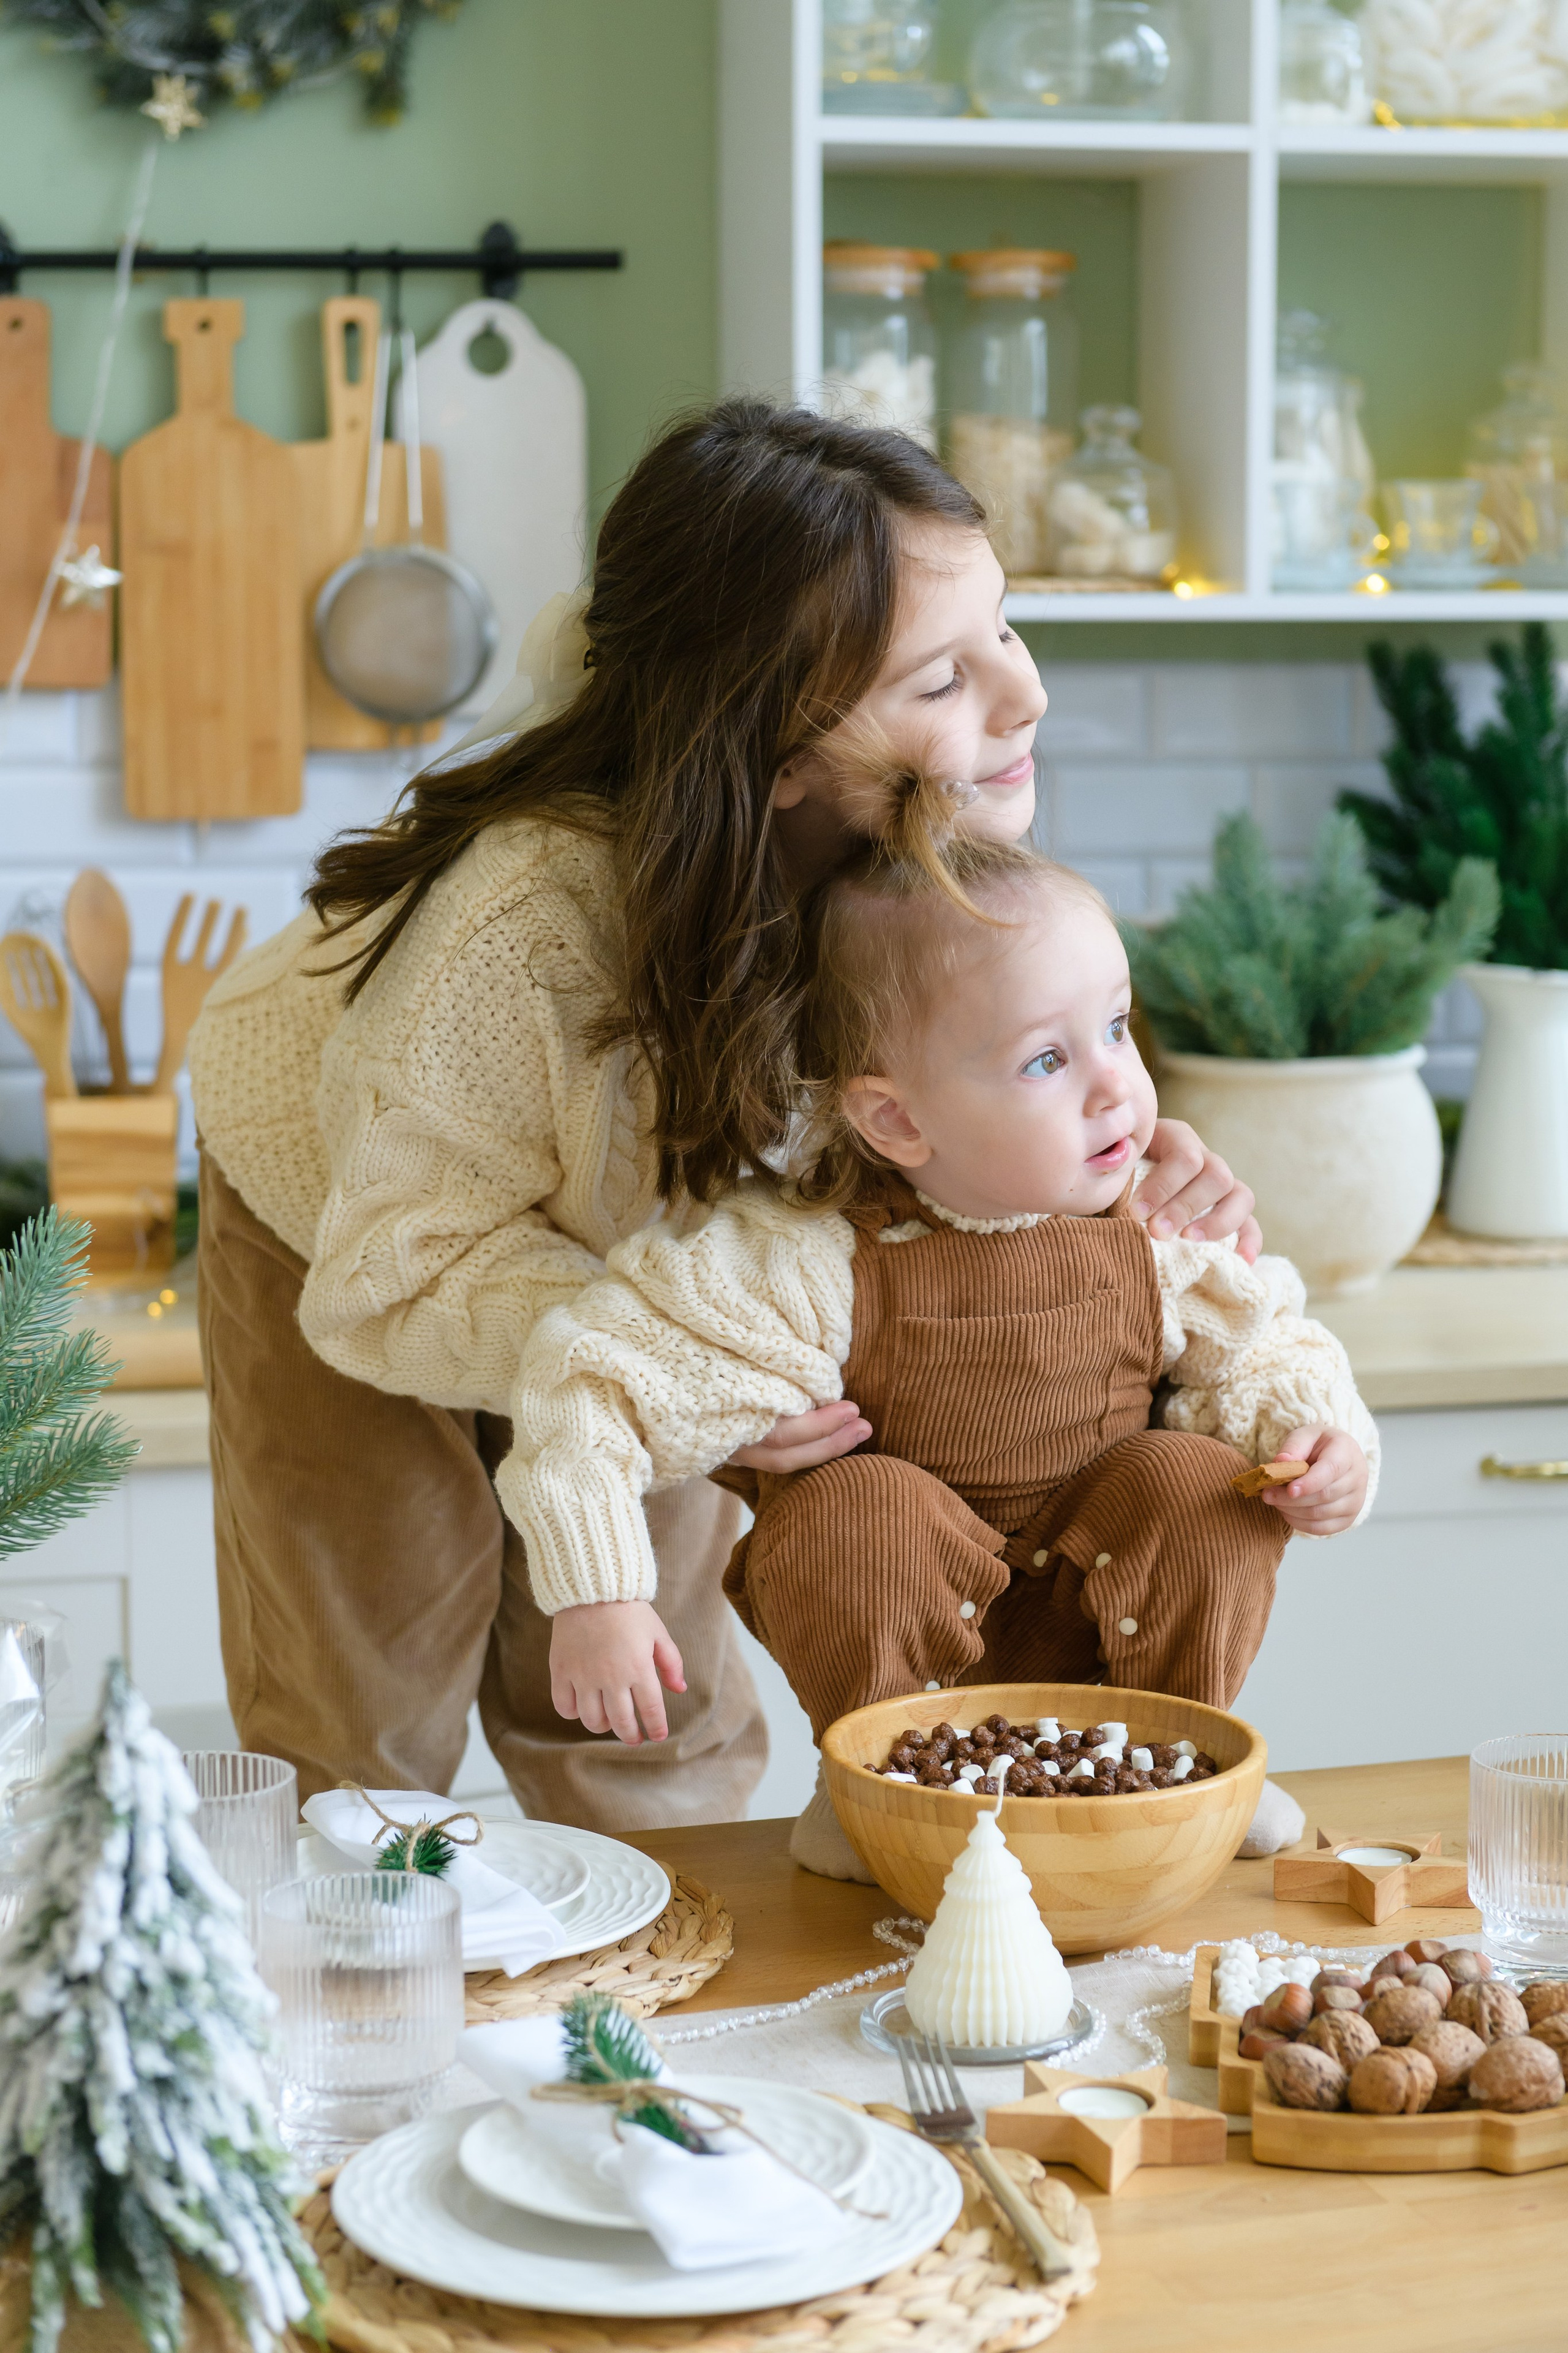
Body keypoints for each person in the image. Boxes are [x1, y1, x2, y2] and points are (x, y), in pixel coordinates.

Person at [189, 398, 1259, 1833]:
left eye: (1001, 631)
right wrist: (678, 1370)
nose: (1023, 698)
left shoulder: (926, 872)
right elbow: (394, 1276)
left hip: (660, 1252)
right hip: (361, 1220)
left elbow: (950, 1108)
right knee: (366, 1695)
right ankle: (347, 2000)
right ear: (771, 751)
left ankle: (670, 2025)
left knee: (661, 1713)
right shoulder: (522, 927)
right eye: (941, 678)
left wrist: (1105, 1166)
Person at [505, 838, 1377, 1875]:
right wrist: (597, 1591)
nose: (1115, 1090)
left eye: (1114, 1027)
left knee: (1201, 1482)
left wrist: (1325, 1444)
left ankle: (1178, 1769)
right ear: (896, 1117)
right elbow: (590, 1375)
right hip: (900, 1626)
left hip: (1098, 1614)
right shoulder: (804, 1260)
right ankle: (880, 1790)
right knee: (851, 1507)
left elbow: (1271, 1350)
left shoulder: (1158, 1229)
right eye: (1047, 1060)